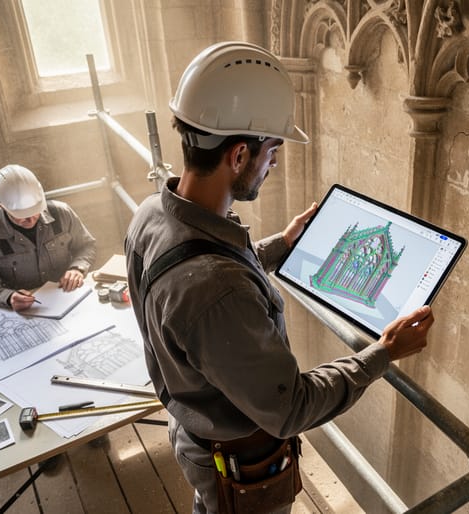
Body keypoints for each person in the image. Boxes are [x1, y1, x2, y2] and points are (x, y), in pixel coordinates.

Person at [124, 41, 434, 514]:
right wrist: (384, 353)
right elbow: (292, 408)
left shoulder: (151, 215)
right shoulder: (215, 290)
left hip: (194, 437)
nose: (274, 164)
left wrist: (279, 245)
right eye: (273, 149)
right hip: (237, 468)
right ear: (240, 154)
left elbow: (203, 268)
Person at [0, 164, 96, 311]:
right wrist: (7, 297)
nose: (31, 219)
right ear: (0, 204)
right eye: (21, 215)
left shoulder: (62, 213)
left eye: (35, 210)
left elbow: (87, 245)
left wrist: (78, 268)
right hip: (27, 310)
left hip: (70, 299)